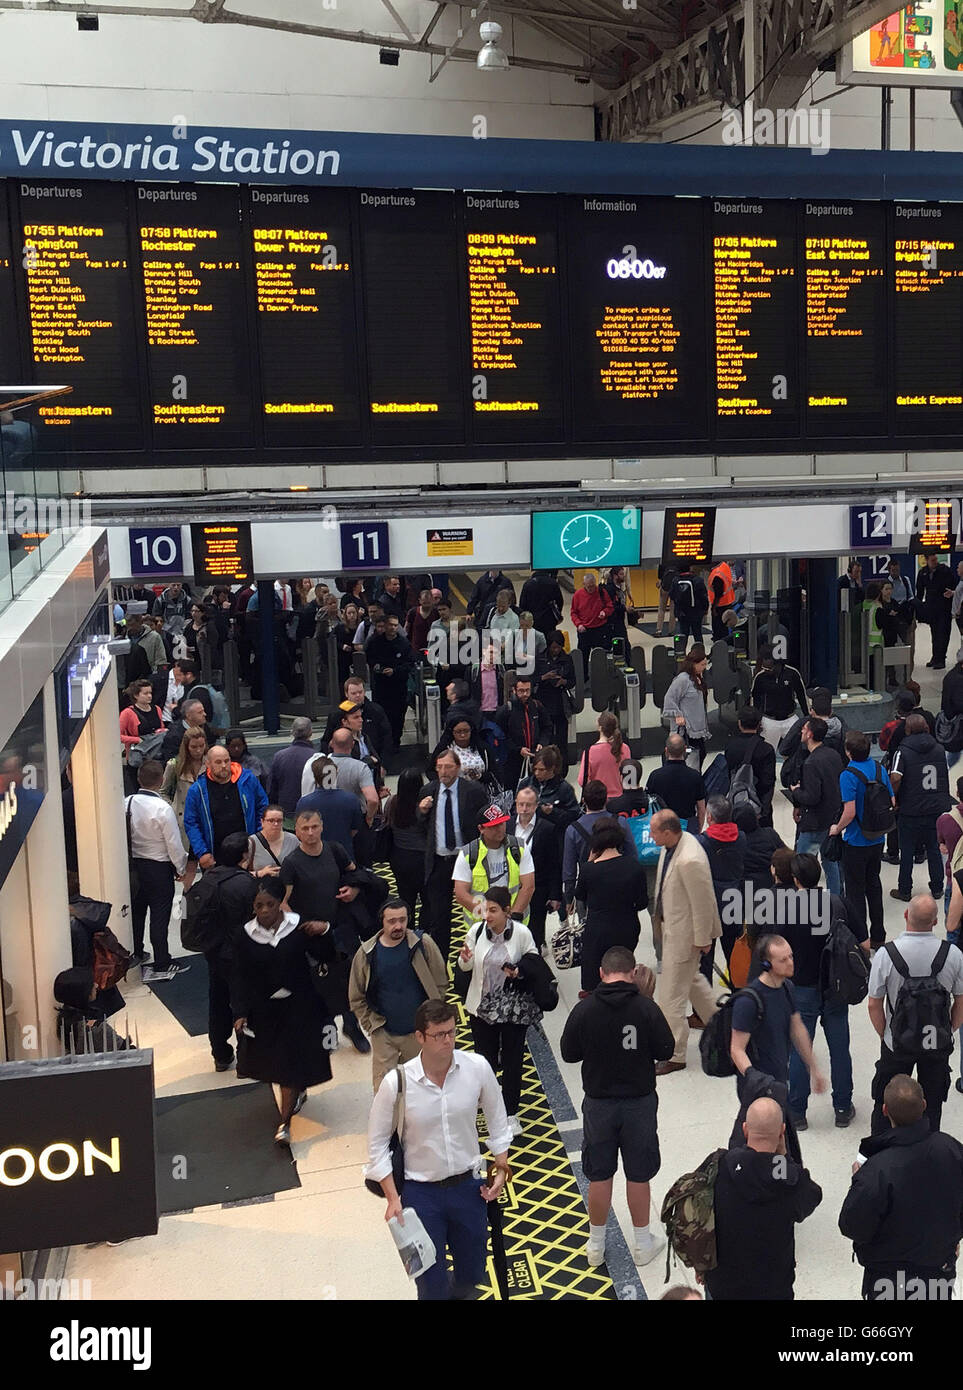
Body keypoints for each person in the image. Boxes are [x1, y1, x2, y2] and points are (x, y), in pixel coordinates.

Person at [366, 999, 512, 1301]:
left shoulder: (477, 1068)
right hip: (420, 1196)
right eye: (439, 1035)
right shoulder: (397, 1083)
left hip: (469, 1189)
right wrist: (393, 1198)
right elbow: (377, 1144)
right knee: (430, 1285)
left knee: (472, 1274)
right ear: (420, 1037)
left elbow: (498, 1121)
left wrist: (501, 1167)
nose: (448, 1040)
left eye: (451, 1032)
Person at [560, 944, 673, 1268]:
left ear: (601, 973)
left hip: (599, 1105)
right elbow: (666, 1047)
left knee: (599, 1174)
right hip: (638, 1104)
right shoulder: (644, 1008)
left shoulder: (585, 1009)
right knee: (638, 1174)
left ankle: (595, 1246)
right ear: (634, 971)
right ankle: (642, 1244)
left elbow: (568, 1053)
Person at [839, 1074, 963, 1302]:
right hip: (938, 1270)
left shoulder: (875, 1170)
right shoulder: (952, 1149)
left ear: (885, 1111)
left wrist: (857, 1183)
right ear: (924, 1106)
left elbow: (852, 1226)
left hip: (887, 1279)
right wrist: (954, 1236)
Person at [231, 877, 336, 1144]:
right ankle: (295, 1094)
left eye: (270, 904)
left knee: (288, 1065)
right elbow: (239, 977)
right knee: (277, 1064)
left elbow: (326, 956)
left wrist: (324, 931)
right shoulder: (245, 936)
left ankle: (284, 1123)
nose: (264, 911)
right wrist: (240, 1012)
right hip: (265, 1011)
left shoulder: (298, 928)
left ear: (280, 904)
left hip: (301, 1007)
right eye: (258, 906)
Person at [702, 1097, 822, 1302]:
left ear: (745, 1130)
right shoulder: (790, 1181)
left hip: (721, 1285)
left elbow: (695, 1209)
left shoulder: (718, 1165)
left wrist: (700, 1262)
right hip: (773, 1289)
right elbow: (813, 1196)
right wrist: (783, 1158)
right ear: (782, 1131)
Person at [867, 894, 963, 1135]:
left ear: (906, 915)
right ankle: (928, 1145)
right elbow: (961, 1000)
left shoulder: (886, 955)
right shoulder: (952, 955)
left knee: (887, 1099)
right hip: (936, 1042)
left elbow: (873, 1004)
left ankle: (883, 1145)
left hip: (897, 1042)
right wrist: (948, 1029)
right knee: (931, 1099)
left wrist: (885, 1034)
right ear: (935, 921)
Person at [278, 807, 368, 1053]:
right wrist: (302, 926)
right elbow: (282, 903)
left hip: (338, 927)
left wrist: (354, 890)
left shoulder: (335, 850)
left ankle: (352, 1026)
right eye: (305, 829)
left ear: (321, 827)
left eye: (314, 827)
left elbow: (355, 874)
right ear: (296, 831)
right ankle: (328, 1033)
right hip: (310, 935)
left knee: (348, 979)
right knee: (322, 986)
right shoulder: (292, 864)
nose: (310, 833)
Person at [729, 935, 828, 1147]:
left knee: (781, 1141)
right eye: (783, 960)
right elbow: (736, 1049)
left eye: (790, 956)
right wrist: (755, 1078)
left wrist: (814, 1068)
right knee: (760, 1144)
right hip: (758, 1088)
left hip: (780, 1081)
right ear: (766, 964)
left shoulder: (787, 988)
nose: (791, 962)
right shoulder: (749, 1001)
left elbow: (797, 1028)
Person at [457, 887, 541, 1135]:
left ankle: (511, 1113)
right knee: (485, 1060)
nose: (487, 915)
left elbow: (534, 963)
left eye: (493, 910)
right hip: (483, 1007)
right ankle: (491, 1109)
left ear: (507, 911)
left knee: (514, 1060)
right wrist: (465, 958)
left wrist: (519, 971)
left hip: (514, 1007)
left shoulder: (522, 934)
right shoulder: (476, 931)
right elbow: (466, 966)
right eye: (485, 910)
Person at [784, 854, 858, 1131]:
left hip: (801, 987)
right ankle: (842, 1106)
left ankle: (797, 1111)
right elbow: (861, 940)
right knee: (840, 1048)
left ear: (795, 879)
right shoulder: (837, 902)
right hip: (835, 986)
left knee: (801, 1049)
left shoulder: (787, 909)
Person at [349, 897, 449, 1091]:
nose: (398, 926)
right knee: (385, 1092)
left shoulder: (423, 945)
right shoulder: (367, 953)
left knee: (424, 1087)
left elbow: (440, 982)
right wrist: (372, 1025)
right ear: (382, 922)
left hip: (419, 1033)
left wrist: (432, 1018)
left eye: (402, 920)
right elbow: (356, 996)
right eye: (392, 921)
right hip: (385, 1035)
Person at [650, 810, 720, 1075]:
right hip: (673, 930)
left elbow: (702, 902)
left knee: (670, 999)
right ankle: (722, 1025)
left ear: (667, 832)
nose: (651, 835)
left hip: (684, 936)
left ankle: (675, 1054)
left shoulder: (690, 859)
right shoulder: (672, 845)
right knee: (692, 982)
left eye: (654, 831)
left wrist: (703, 939)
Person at [419, 749, 489, 962]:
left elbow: (483, 822)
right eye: (439, 767)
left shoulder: (473, 791)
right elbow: (422, 827)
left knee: (476, 908)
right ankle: (440, 961)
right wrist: (421, 811)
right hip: (440, 861)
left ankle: (482, 950)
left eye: (448, 767)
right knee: (439, 916)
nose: (443, 771)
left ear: (458, 768)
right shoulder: (428, 791)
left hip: (466, 860)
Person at [829, 730, 895, 949]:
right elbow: (891, 800)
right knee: (874, 886)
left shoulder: (848, 775)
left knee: (855, 892)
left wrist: (836, 829)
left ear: (848, 752)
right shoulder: (878, 768)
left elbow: (849, 811)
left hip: (856, 840)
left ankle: (860, 938)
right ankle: (878, 936)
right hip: (877, 838)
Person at [200, 832, 259, 1073]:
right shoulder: (246, 884)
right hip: (240, 953)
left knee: (218, 1001)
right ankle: (245, 1058)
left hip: (213, 951)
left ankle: (220, 1054)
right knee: (242, 1005)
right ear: (245, 855)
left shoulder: (207, 880)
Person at [125, 760, 189, 981]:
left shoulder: (127, 802)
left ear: (138, 779)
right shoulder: (162, 808)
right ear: (161, 780)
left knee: (137, 912)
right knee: (159, 915)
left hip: (132, 866)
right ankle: (162, 960)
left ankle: (136, 952)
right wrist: (180, 867)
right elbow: (173, 843)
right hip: (158, 867)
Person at [576, 819, 647, 996]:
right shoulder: (634, 867)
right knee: (622, 967)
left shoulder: (588, 870)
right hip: (626, 926)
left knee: (595, 974)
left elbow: (580, 896)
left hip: (598, 929)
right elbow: (642, 903)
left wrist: (589, 861)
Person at [889, 712, 951, 903]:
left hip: (911, 809)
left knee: (906, 850)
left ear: (907, 729)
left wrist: (894, 797)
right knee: (933, 848)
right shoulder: (939, 749)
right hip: (935, 808)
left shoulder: (902, 751)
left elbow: (896, 777)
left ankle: (905, 890)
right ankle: (938, 888)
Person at [183, 743, 269, 870]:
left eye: (226, 761)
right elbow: (191, 823)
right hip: (214, 854)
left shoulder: (247, 780)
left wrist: (258, 839)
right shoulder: (197, 790)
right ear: (208, 764)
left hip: (247, 851)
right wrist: (202, 852)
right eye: (218, 762)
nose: (223, 766)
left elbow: (262, 808)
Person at [787, 715, 844, 896]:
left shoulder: (811, 763)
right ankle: (836, 898)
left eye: (804, 729)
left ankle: (803, 900)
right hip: (832, 817)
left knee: (803, 864)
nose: (801, 731)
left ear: (810, 734)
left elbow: (812, 797)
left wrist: (795, 791)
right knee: (830, 861)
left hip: (814, 821)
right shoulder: (833, 754)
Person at [452, 803, 535, 926]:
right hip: (480, 927)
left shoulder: (519, 847)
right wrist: (490, 917)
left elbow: (528, 887)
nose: (500, 829)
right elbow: (461, 893)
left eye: (501, 823)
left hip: (515, 924)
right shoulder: (467, 854)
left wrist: (513, 918)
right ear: (481, 828)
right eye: (494, 826)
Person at [562, 779, 639, 907]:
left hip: (589, 888)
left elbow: (569, 870)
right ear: (606, 800)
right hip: (620, 884)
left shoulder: (573, 830)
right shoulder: (620, 822)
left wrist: (569, 898)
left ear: (584, 801)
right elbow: (633, 856)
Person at [509, 784, 561, 952]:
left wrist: (555, 895)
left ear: (536, 805)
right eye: (521, 804)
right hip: (510, 889)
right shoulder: (507, 826)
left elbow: (554, 864)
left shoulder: (547, 829)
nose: (524, 809)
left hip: (537, 889)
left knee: (534, 932)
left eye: (528, 805)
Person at [697, 796, 747, 972]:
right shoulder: (741, 837)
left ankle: (706, 998)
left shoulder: (701, 842)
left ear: (709, 817)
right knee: (734, 956)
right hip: (733, 901)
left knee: (705, 959)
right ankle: (738, 995)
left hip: (709, 906)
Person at [384, 768, 429, 930]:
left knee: (406, 898)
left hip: (399, 857)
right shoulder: (424, 806)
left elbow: (387, 822)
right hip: (422, 859)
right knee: (427, 900)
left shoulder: (392, 802)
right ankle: (423, 932)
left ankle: (407, 931)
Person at [367, 614, 415, 750]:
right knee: (380, 716)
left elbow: (409, 663)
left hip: (398, 688)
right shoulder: (376, 642)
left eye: (396, 625)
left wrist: (395, 671)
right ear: (386, 625)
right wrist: (377, 668)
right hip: (381, 687)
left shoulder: (404, 643)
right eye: (391, 625)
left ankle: (395, 743)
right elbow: (370, 658)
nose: (393, 628)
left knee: (398, 717)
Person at [724, 705, 776, 827]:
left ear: (739, 723)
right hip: (758, 804)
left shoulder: (731, 746)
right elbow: (768, 782)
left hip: (736, 803)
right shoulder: (766, 749)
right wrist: (764, 810)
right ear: (759, 724)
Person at [750, 645, 809, 752]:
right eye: (763, 667)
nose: (765, 670)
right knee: (767, 753)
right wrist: (756, 722)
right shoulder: (760, 677)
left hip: (790, 719)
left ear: (778, 664)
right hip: (769, 720)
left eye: (768, 668)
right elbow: (754, 700)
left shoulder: (792, 673)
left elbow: (802, 696)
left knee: (797, 752)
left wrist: (808, 717)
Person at [320, 677, 393, 761]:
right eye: (354, 693)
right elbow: (326, 741)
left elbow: (387, 738)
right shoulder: (337, 714)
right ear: (346, 694)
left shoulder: (376, 711)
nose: (358, 695)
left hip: (373, 761)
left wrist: (383, 764)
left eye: (360, 692)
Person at [161, 727, 209, 852]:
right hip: (183, 819)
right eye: (194, 747)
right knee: (186, 863)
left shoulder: (211, 763)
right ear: (186, 746)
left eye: (201, 745)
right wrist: (171, 808)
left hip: (207, 818)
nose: (198, 750)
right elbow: (163, 792)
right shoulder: (175, 765)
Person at [494, 674, 546, 789]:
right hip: (512, 761)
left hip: (535, 757)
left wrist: (542, 742)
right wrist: (517, 749)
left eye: (527, 690)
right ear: (514, 690)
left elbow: (546, 727)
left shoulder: (537, 706)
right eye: (521, 691)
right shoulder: (506, 710)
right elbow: (500, 736)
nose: (525, 694)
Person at [662, 646, 710, 768]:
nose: (704, 667)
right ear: (694, 664)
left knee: (700, 754)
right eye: (702, 664)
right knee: (691, 755)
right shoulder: (682, 679)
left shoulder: (698, 677)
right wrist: (678, 715)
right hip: (686, 728)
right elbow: (669, 698)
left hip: (697, 725)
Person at [646, 734, 706, 828]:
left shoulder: (655, 776)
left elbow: (649, 806)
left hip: (664, 827)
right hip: (687, 826)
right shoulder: (695, 776)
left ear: (666, 751)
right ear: (685, 749)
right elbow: (701, 809)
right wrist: (697, 830)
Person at [535, 631, 575, 771]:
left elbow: (573, 681)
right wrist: (544, 677)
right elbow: (533, 679)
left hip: (560, 703)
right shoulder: (540, 659)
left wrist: (563, 681)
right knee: (548, 738)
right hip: (544, 702)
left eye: (558, 647)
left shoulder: (567, 659)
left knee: (562, 739)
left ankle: (562, 769)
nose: (555, 650)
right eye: (553, 647)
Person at [266, 717, 317, 818]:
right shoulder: (316, 757)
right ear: (310, 733)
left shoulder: (279, 756)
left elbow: (271, 789)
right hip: (310, 814)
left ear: (292, 732)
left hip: (285, 813)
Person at [915, 550, 955, 670]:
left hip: (944, 606)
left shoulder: (944, 570)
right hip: (931, 607)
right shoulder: (923, 573)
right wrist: (920, 608)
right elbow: (920, 591)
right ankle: (935, 656)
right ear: (926, 561)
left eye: (936, 559)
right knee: (935, 633)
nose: (935, 562)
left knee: (943, 633)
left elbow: (953, 585)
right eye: (932, 560)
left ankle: (941, 658)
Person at [578, 711, 631, 800]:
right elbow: (629, 777)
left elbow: (582, 781)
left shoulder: (590, 752)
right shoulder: (625, 748)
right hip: (620, 798)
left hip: (598, 801)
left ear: (600, 728)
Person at [570, 570, 614, 665]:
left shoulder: (602, 592)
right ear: (584, 584)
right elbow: (573, 613)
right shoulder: (577, 595)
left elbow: (610, 606)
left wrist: (604, 612)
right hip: (584, 630)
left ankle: (600, 675)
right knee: (583, 657)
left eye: (593, 586)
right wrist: (579, 624)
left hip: (600, 629)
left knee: (600, 657)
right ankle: (584, 678)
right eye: (589, 586)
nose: (591, 589)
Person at [429, 718, 490, 782]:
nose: (462, 735)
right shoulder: (444, 748)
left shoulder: (482, 748)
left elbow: (493, 771)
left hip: (480, 788)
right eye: (458, 732)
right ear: (452, 732)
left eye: (466, 731)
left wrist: (479, 776)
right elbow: (431, 772)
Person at [159, 696, 215, 764]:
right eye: (200, 712)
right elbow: (172, 761)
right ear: (189, 716)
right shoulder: (174, 736)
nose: (204, 714)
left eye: (203, 711)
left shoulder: (205, 728)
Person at [248, 804, 298, 877]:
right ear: (262, 822)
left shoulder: (293, 840)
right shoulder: (251, 842)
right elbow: (238, 874)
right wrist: (259, 873)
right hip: (260, 886)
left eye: (279, 820)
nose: (275, 824)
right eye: (271, 820)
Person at [668, 564, 708, 649]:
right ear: (690, 568)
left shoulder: (675, 580)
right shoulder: (697, 580)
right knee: (697, 634)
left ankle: (681, 654)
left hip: (682, 612)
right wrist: (705, 609)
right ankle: (700, 653)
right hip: (696, 612)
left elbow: (671, 595)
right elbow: (703, 596)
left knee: (683, 634)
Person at [518, 570, 563, 637]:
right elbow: (560, 602)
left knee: (533, 644)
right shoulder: (553, 583)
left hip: (533, 621)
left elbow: (522, 605)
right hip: (549, 620)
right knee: (548, 642)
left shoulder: (528, 584)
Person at [601, 565, 635, 651]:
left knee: (624, 647)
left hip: (620, 622)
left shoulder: (619, 589)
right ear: (615, 576)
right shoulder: (609, 589)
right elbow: (612, 606)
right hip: (612, 624)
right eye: (621, 574)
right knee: (620, 648)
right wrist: (624, 608)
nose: (623, 576)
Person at [940, 648, 963, 769]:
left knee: (955, 752)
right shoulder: (958, 679)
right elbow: (958, 703)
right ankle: (945, 768)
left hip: (952, 719)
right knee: (954, 752)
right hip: (957, 722)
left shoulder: (951, 675)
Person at [707, 559, 736, 641]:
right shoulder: (724, 566)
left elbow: (718, 593)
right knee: (725, 626)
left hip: (720, 605)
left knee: (719, 628)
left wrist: (714, 608)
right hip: (728, 601)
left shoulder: (717, 575)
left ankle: (719, 643)